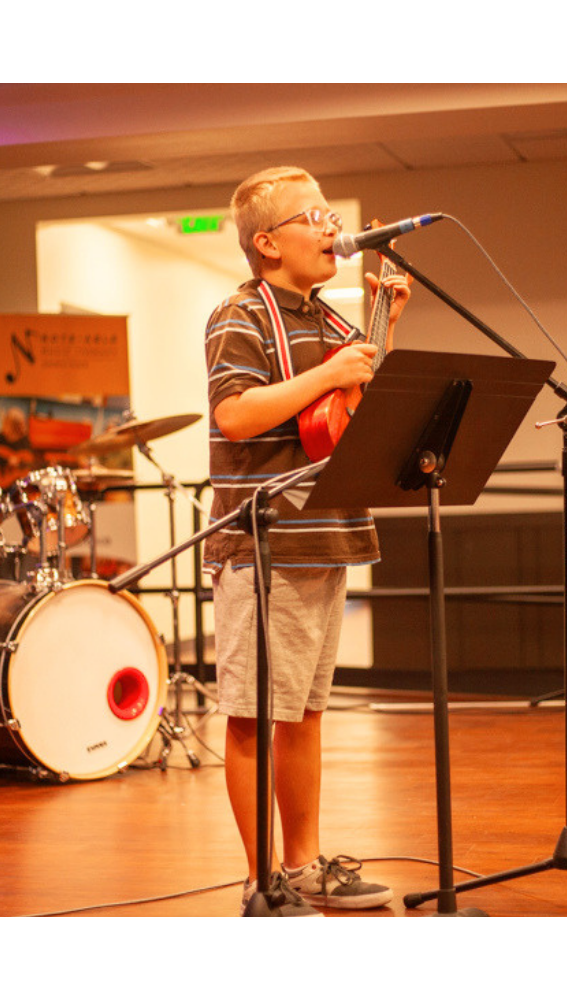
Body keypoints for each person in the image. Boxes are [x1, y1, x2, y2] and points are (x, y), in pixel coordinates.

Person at [204, 166, 412, 912]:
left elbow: (357, 408)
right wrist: (329, 373)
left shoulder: (330, 320)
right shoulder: (240, 314)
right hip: (265, 545)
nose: (331, 228)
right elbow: (235, 414)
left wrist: (386, 327)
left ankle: (304, 865)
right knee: (255, 715)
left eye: (331, 215)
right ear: (267, 243)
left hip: (329, 535)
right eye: (313, 216)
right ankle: (262, 880)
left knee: (305, 713)